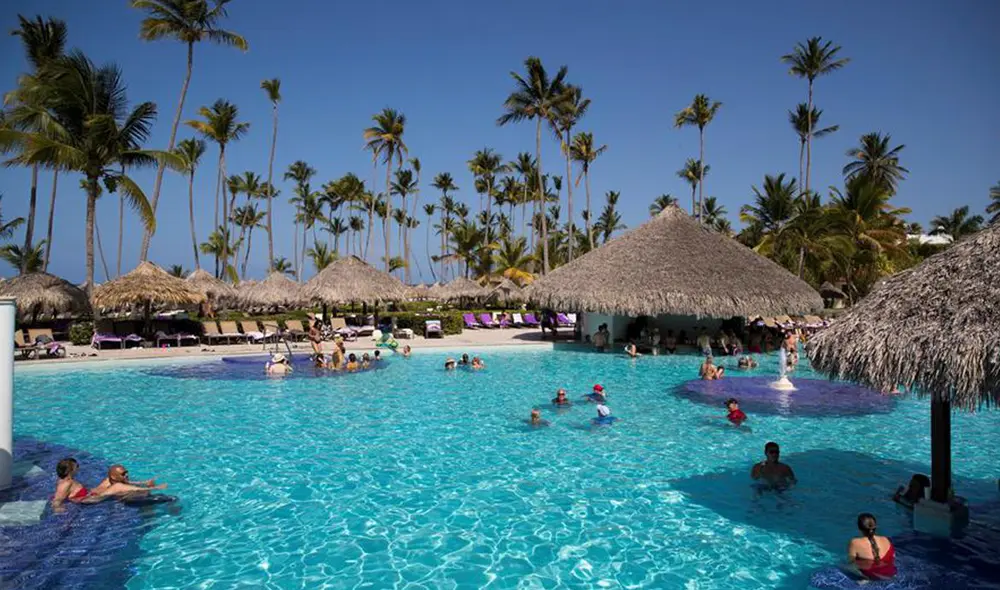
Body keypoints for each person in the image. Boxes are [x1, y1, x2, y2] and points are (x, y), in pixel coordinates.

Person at [847, 513, 897, 580]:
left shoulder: (855, 542)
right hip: (891, 573)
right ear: (875, 527)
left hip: (871, 576)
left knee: (841, 565)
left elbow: (851, 564)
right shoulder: (886, 539)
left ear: (859, 528)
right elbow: (893, 557)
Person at [90, 464, 167, 499]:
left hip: (91, 494)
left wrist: (144, 482)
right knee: (144, 494)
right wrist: (157, 487)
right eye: (123, 474)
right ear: (113, 476)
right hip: (90, 501)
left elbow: (128, 483)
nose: (126, 475)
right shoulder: (118, 486)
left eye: (126, 472)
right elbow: (136, 489)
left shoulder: (108, 480)